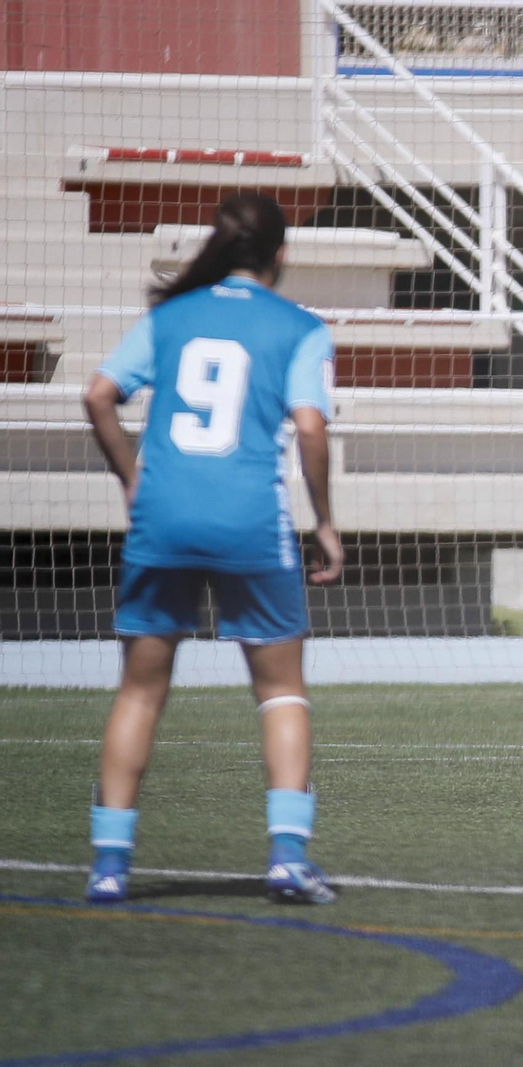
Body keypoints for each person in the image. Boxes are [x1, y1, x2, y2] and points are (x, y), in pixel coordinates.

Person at [80, 193, 344, 904]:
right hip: (248, 520)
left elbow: (99, 393)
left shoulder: (171, 317)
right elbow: (311, 428)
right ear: (281, 254)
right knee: (281, 687)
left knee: (140, 689)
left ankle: (110, 865)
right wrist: (324, 521)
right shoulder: (300, 328)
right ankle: (287, 857)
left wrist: (132, 480)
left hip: (162, 518)